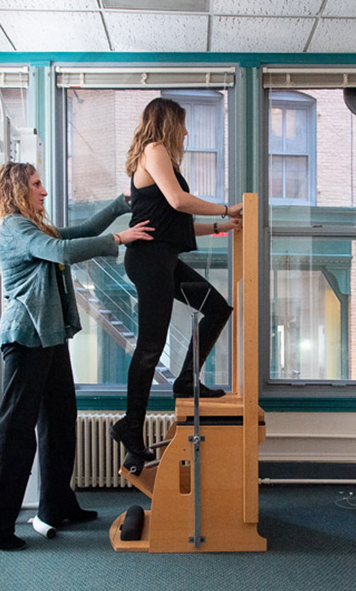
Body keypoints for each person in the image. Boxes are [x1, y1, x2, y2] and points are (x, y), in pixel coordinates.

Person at [0, 162, 153, 551]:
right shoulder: (13, 226)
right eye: (36, 184)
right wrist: (118, 238)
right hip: (26, 337)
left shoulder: (33, 227)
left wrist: (121, 203)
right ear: (17, 189)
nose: (44, 191)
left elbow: (80, 232)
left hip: (49, 337)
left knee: (59, 422)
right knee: (15, 431)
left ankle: (57, 505)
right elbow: (61, 251)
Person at [110, 97, 243, 463]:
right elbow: (179, 201)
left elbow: (175, 223)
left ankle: (186, 380)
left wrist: (222, 225)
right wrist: (226, 207)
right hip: (149, 260)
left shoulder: (162, 160)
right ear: (168, 123)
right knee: (151, 346)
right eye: (183, 124)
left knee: (216, 308)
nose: (186, 132)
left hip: (163, 259)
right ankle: (130, 426)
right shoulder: (154, 150)